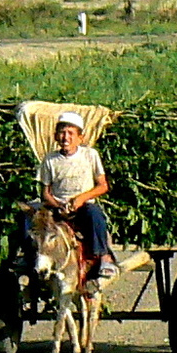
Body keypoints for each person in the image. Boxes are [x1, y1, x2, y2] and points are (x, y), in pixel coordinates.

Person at [38, 111, 118, 281]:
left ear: (80, 138)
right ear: (55, 136)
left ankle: (103, 257)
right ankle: (30, 257)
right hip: (58, 207)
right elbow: (45, 192)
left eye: (70, 133)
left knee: (94, 214)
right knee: (32, 218)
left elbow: (103, 185)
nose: (65, 137)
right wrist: (58, 205)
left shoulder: (90, 155)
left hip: (83, 207)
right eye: (62, 132)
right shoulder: (50, 160)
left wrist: (81, 198)